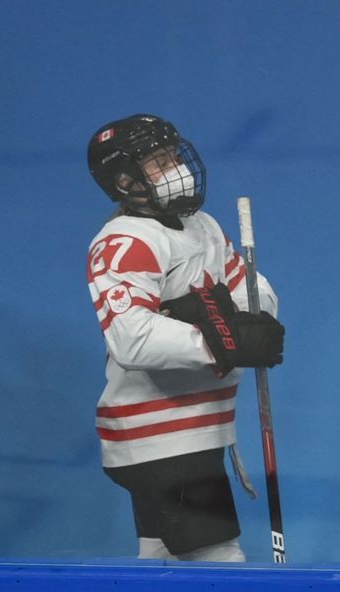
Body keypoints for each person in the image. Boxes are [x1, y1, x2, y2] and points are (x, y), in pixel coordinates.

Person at [85, 114, 284, 562]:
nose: (175, 167)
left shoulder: (204, 227)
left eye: (174, 155)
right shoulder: (124, 242)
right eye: (158, 161)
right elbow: (131, 337)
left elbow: (254, 291)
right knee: (218, 561)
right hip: (158, 436)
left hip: (196, 428)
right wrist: (222, 341)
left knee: (159, 559)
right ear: (124, 179)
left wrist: (253, 324)